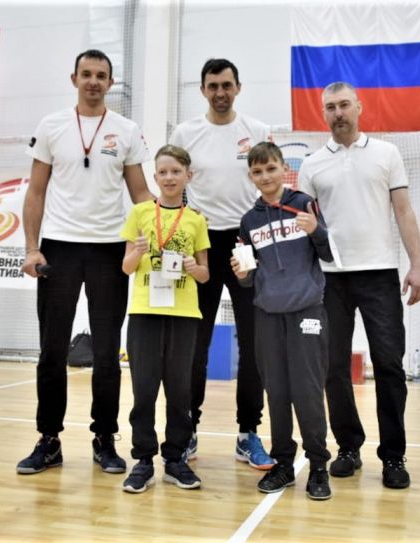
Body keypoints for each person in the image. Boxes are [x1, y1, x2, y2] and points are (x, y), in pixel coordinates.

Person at [17, 49, 153, 476]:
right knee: (52, 350)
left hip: (110, 250)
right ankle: (49, 440)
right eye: (87, 74)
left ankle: (104, 439)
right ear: (74, 78)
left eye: (101, 75)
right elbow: (36, 191)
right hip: (58, 248)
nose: (94, 81)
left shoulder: (126, 130)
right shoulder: (52, 126)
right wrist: (31, 248)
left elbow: (140, 194)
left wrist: (170, 229)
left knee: (108, 353)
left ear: (111, 82)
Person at [299, 82, 420, 490]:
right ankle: (348, 447)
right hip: (329, 278)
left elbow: (403, 211)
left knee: (389, 364)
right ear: (324, 113)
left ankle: (393, 456)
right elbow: (305, 227)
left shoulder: (387, 154)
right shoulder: (312, 165)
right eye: (330, 107)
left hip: (380, 274)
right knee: (333, 367)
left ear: (359, 107)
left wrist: (417, 265)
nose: (338, 113)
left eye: (344, 105)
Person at [170, 58, 274, 469]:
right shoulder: (185, 133)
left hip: (245, 241)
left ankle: (248, 433)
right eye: (213, 86)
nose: (220, 92)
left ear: (238, 87)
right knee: (195, 343)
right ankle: (188, 429)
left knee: (253, 342)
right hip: (201, 243)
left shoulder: (257, 130)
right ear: (202, 90)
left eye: (227, 85)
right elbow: (172, 182)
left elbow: (270, 184)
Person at [232, 142, 334, 500]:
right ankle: (283, 464)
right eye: (257, 171)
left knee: (307, 390)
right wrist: (242, 274)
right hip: (267, 315)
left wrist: (315, 230)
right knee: (276, 391)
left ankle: (318, 465)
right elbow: (247, 278)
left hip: (307, 310)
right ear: (251, 177)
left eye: (271, 168)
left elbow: (329, 253)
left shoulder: (304, 204)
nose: (265, 176)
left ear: (284, 170)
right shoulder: (249, 220)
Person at [119, 145, 210, 494]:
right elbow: (126, 267)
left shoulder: (196, 220)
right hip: (144, 312)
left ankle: (175, 459)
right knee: (144, 390)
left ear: (188, 175)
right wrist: (138, 253)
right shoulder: (140, 213)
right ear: (155, 177)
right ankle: (143, 460)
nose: (169, 178)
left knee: (179, 391)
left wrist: (193, 267)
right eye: (163, 172)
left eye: (176, 171)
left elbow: (205, 275)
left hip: (183, 314)